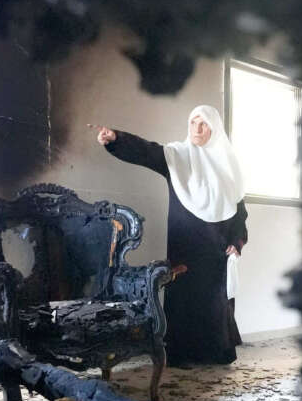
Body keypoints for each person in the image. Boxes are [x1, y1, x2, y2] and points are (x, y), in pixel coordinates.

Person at [93, 105, 248, 365]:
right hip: (185, 241)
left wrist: (236, 241)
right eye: (193, 123)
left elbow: (239, 210)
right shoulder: (178, 156)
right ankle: (182, 355)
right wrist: (116, 139)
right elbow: (147, 151)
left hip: (216, 245)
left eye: (204, 124)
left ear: (215, 128)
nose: (197, 129)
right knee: (184, 297)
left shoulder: (228, 166)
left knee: (214, 300)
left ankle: (217, 352)